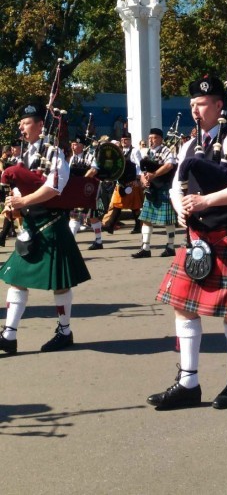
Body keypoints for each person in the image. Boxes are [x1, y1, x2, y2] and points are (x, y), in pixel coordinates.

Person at [146, 75, 227, 410]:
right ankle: (188, 382)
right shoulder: (189, 145)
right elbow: (177, 184)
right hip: (197, 237)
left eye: (201, 103)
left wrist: (207, 201)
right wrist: (182, 209)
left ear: (219, 105)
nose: (194, 109)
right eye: (191, 104)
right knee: (183, 306)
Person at [0, 102, 91, 355]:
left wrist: (24, 201)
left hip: (51, 223)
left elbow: (55, 186)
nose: (21, 126)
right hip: (30, 223)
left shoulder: (54, 152)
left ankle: (64, 331)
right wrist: (13, 203)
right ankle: (9, 334)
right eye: (21, 122)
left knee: (59, 284)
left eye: (26, 122)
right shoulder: (22, 154)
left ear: (40, 125)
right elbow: (20, 186)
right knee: (16, 280)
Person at [132, 128, 177, 258]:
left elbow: (169, 165)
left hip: (163, 187)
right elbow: (142, 171)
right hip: (151, 189)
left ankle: (170, 246)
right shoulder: (146, 153)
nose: (151, 140)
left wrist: (154, 175)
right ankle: (145, 248)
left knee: (168, 220)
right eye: (150, 138)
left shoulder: (166, 151)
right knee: (145, 219)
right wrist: (143, 180)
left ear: (161, 139)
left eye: (155, 138)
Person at [102, 132, 144, 234]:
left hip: (131, 183)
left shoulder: (135, 151)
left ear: (130, 140)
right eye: (122, 140)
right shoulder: (119, 151)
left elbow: (140, 166)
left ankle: (137, 226)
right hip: (121, 182)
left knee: (134, 206)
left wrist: (137, 180)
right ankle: (110, 225)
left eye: (126, 140)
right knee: (117, 204)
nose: (124, 142)